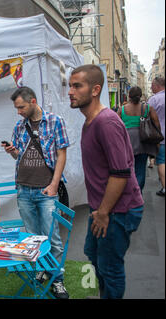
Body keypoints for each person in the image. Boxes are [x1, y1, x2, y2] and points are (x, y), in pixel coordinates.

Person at [68, 64, 144, 299]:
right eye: (69, 86)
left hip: (117, 209)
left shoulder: (106, 122)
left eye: (77, 86)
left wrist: (103, 212)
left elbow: (120, 173)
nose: (70, 91)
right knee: (93, 253)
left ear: (95, 89)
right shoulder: (90, 121)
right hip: (102, 208)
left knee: (110, 269)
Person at [2, 86, 70, 299]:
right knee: (33, 238)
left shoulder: (55, 121)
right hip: (23, 189)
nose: (18, 111)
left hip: (46, 190)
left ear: (32, 101)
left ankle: (57, 279)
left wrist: (53, 185)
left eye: (21, 107)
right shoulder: (19, 126)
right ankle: (41, 270)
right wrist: (13, 152)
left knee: (53, 238)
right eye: (16, 108)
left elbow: (61, 155)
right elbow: (19, 157)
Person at [117, 86, 161, 191]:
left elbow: (115, 126)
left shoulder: (122, 109)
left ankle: (128, 191)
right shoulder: (148, 108)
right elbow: (157, 124)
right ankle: (137, 191)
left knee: (127, 168)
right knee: (141, 169)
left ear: (129, 96)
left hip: (127, 141)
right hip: (143, 141)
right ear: (141, 96)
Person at [148, 77, 165, 196]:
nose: (151, 87)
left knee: (162, 161)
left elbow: (147, 117)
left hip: (160, 136)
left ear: (157, 86)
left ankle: (164, 188)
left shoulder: (153, 100)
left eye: (152, 85)